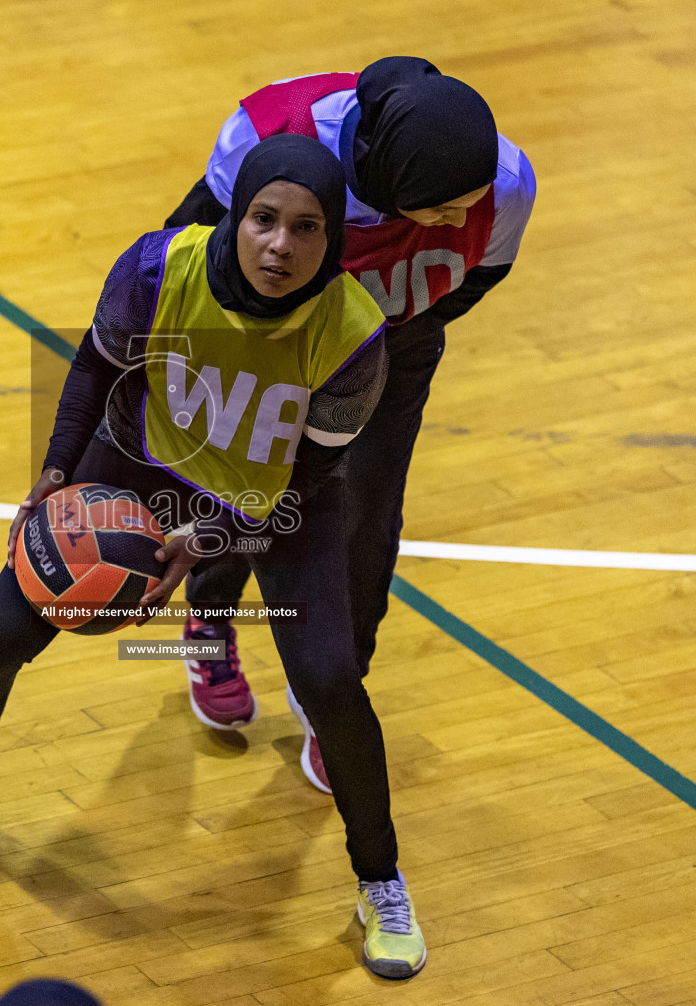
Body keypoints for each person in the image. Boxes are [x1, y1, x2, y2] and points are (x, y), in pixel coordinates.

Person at [0, 135, 429, 979]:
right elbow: (91, 368)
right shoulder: (155, 269)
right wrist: (55, 474)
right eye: (263, 219)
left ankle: (381, 879)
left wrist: (206, 542)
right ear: (235, 215)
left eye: (306, 229)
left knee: (331, 683)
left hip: (279, 502)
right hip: (140, 465)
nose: (281, 246)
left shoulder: (356, 338)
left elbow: (310, 476)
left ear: (334, 243)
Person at [165, 57, 536, 791]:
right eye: (442, 209)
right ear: (396, 183)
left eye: (470, 204)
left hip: (388, 353)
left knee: (368, 520)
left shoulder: (506, 182)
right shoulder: (272, 134)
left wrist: (375, 335)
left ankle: (334, 693)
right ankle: (208, 619)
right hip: (266, 344)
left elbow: (479, 277)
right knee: (249, 496)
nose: (461, 219)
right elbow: (185, 242)